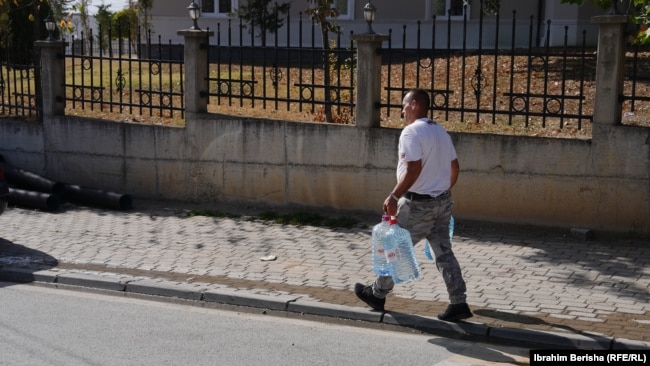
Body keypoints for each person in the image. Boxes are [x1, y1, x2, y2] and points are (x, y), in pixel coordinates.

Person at [354, 88, 472, 322]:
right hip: (441, 203)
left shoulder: (411, 132)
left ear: (416, 104)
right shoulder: (440, 131)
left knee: (396, 249)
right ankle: (459, 302)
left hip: (418, 206)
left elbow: (413, 168)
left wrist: (394, 196)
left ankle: (377, 294)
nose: (402, 110)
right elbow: (455, 167)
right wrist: (444, 190)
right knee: (444, 254)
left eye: (405, 105)